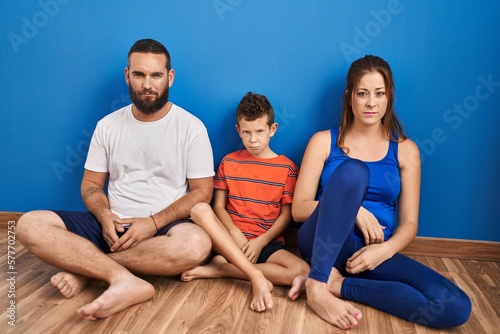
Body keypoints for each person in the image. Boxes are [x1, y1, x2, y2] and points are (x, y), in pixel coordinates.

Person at [16, 39, 215, 320]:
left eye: (156, 75)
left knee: (196, 244)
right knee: (29, 225)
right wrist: (105, 214)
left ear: (169, 77)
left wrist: (153, 223)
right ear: (127, 76)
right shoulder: (107, 126)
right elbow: (91, 185)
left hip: (164, 228)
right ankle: (123, 278)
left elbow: (202, 193)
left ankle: (86, 271)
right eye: (139, 74)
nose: (148, 84)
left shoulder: (191, 128)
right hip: (110, 225)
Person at [291, 55, 471, 330]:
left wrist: (384, 251)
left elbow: (410, 223)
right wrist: (354, 211)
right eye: (363, 93)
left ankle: (337, 284)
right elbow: (299, 208)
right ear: (350, 97)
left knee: (456, 307)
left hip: (369, 252)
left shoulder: (406, 150)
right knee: (354, 171)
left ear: (389, 97)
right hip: (322, 242)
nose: (371, 103)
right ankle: (317, 285)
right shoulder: (323, 141)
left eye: (379, 93)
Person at [181, 92, 309, 311]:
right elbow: (218, 206)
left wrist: (260, 241)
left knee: (303, 272)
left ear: (272, 129)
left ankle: (223, 270)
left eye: (260, 131)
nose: (253, 139)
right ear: (238, 131)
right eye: (247, 132)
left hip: (265, 242)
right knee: (200, 209)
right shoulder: (229, 162)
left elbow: (287, 214)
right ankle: (249, 272)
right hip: (229, 239)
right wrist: (232, 231)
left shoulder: (287, 168)